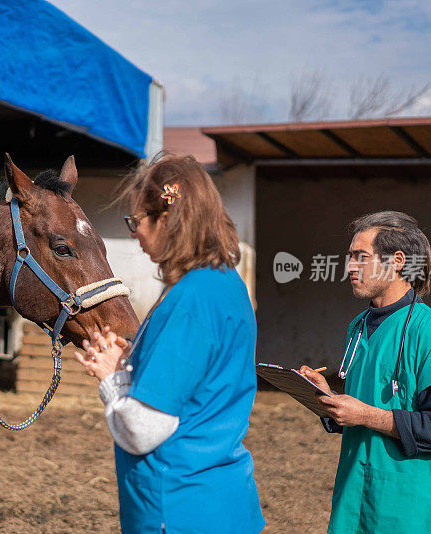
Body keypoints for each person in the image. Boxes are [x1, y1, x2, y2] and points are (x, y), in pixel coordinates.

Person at [74, 154, 265, 534]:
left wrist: (114, 377)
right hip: (220, 500)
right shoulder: (225, 284)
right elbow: (198, 377)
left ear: (167, 219)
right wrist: (134, 358)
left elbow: (143, 428)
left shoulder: (190, 299)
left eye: (136, 221)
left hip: (178, 506)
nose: (135, 233)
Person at [300, 211, 431, 534]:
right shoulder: (358, 328)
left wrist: (365, 416)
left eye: (360, 257)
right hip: (354, 497)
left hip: (407, 507)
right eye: (349, 258)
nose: (349, 267)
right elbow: (365, 404)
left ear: (397, 261)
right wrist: (326, 396)